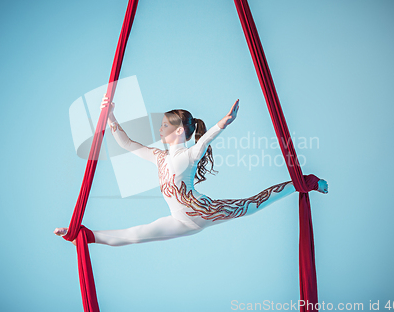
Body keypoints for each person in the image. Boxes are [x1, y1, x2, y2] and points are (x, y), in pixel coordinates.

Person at [54, 96, 328, 246]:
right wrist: (111, 118)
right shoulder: (159, 157)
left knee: (254, 204)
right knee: (136, 235)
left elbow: (206, 139)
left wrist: (225, 122)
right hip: (181, 221)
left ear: (179, 130)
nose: (159, 129)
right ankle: (82, 236)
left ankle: (303, 183)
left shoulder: (187, 155)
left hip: (208, 211)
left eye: (164, 125)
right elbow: (127, 143)